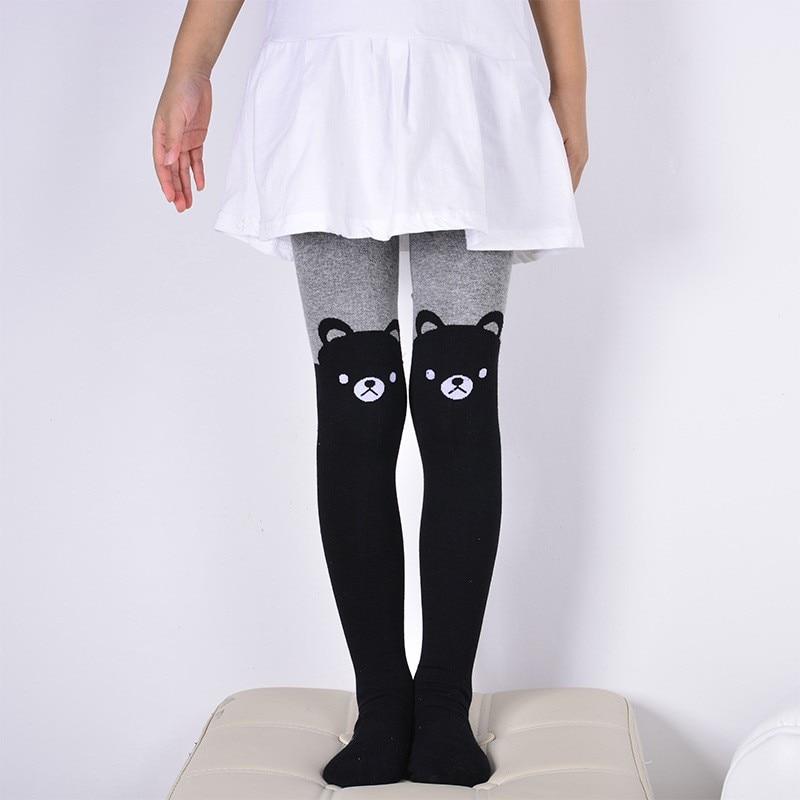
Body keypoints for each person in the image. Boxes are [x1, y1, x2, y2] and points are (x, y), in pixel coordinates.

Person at [152, 0, 587, 789]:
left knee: (459, 409)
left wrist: (570, 93)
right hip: (328, 68)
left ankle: (444, 702)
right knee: (356, 413)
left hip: (469, 65)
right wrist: (190, 67)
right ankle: (383, 702)